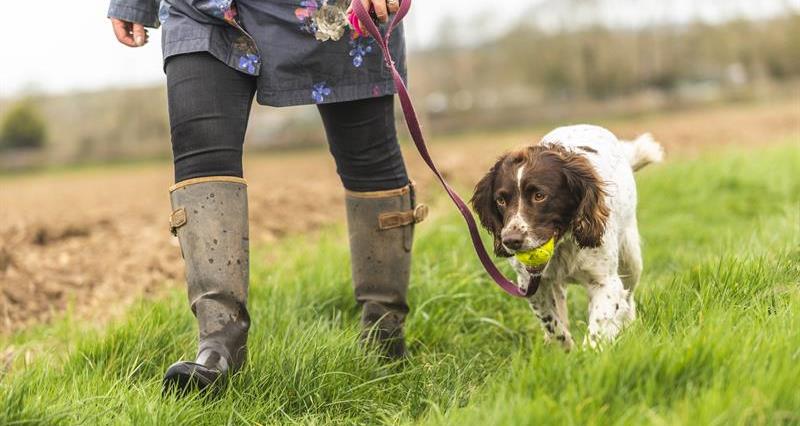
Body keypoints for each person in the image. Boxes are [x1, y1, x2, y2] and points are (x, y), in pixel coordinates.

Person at [108, 0, 426, 393]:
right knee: (200, 146)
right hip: (205, 9)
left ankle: (384, 332)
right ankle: (218, 345)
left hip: (333, 12)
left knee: (367, 158)